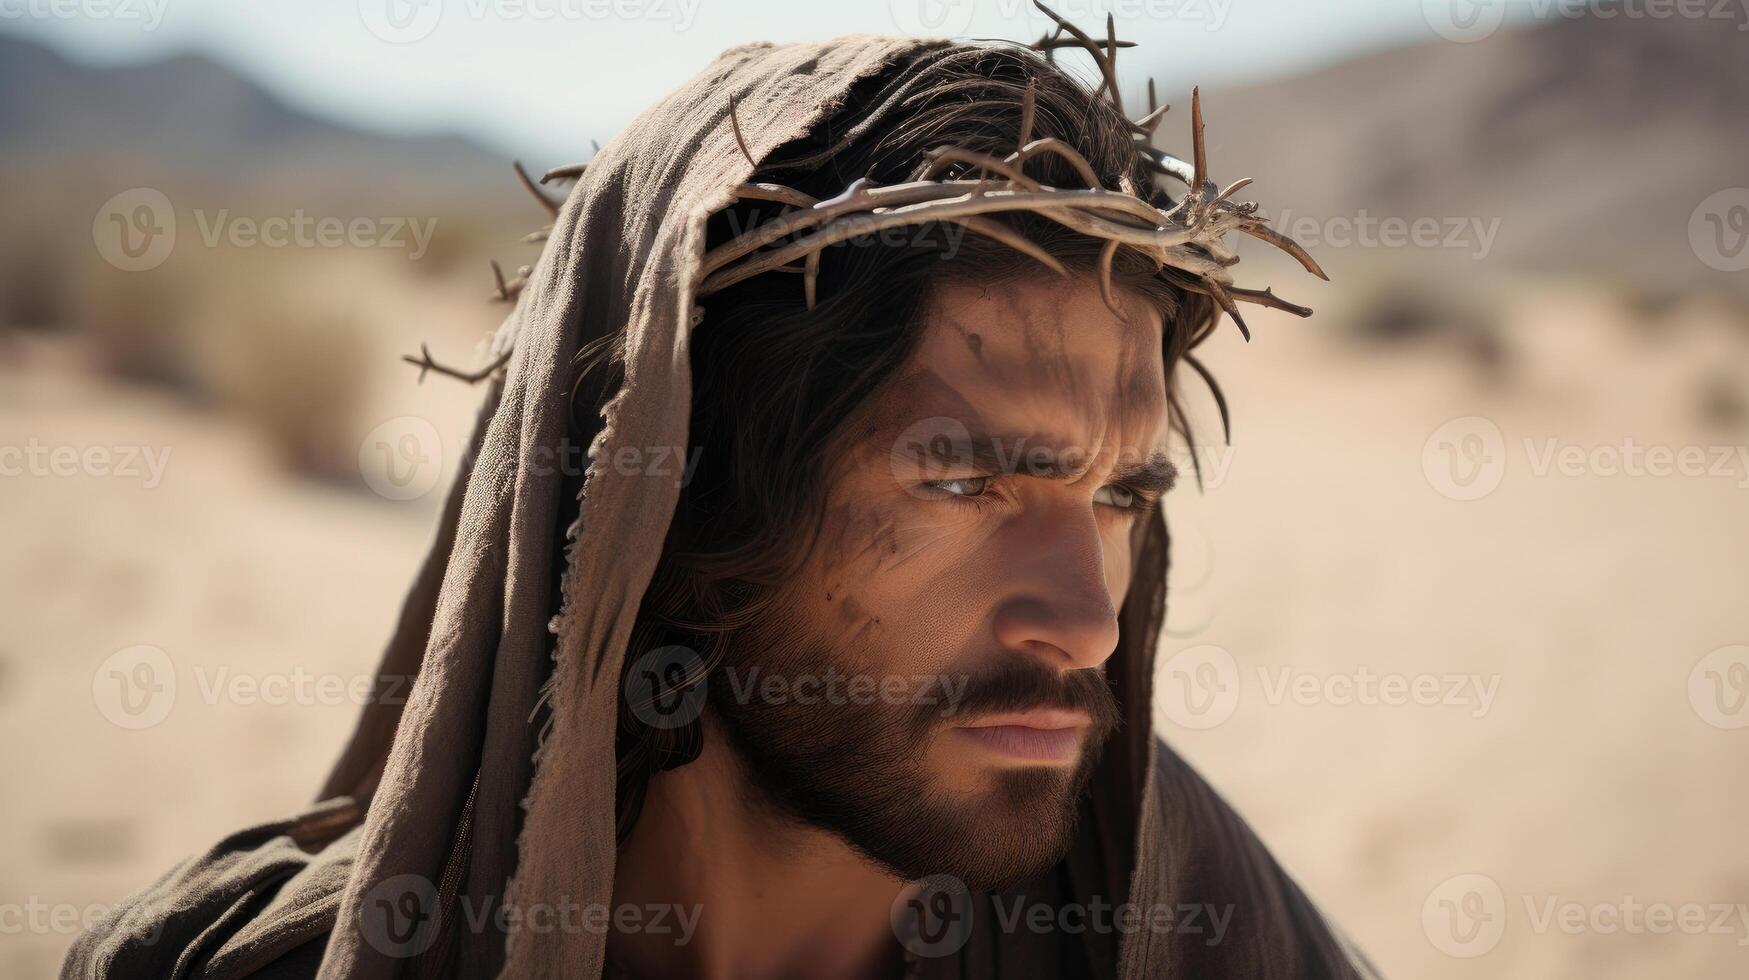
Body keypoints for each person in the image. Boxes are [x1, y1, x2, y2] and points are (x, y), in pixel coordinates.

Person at [66, 14, 1377, 980]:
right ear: (676, 513)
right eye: (966, 478)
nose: (1088, 624)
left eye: (1118, 495)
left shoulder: (1191, 935)